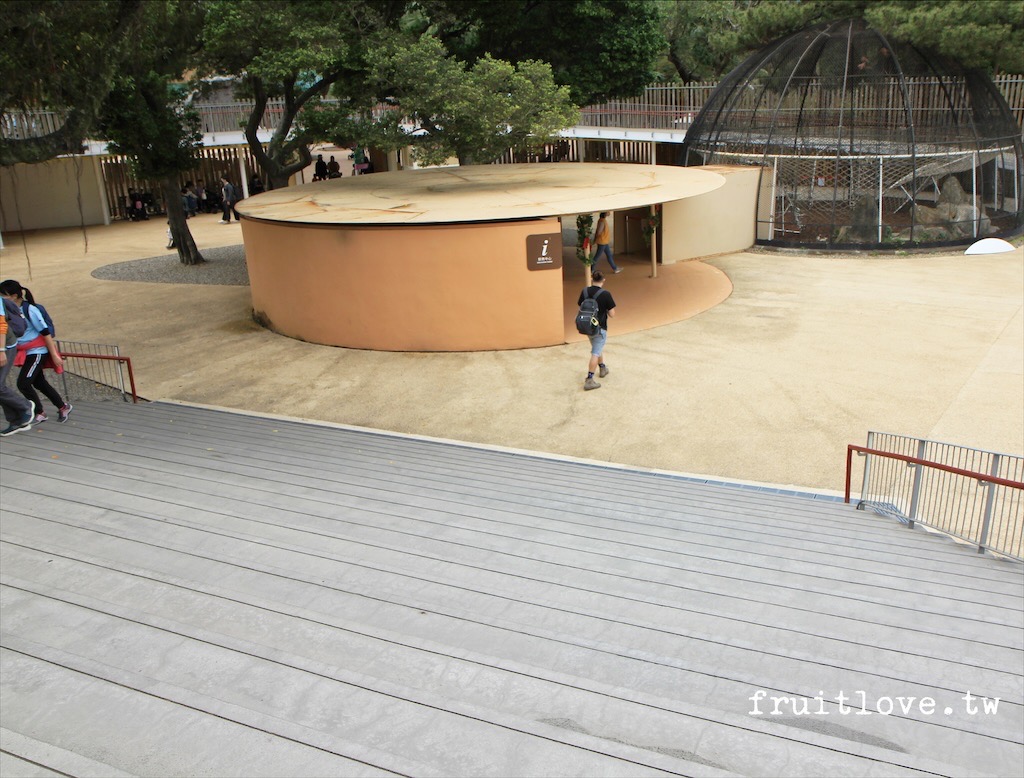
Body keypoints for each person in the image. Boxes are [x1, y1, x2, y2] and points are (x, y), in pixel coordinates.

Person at [0, 280, 71, 423]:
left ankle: (38, 411)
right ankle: (63, 406)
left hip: (37, 351)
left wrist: (54, 355)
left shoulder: (30, 310)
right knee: (39, 383)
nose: (1, 297)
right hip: (26, 351)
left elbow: (45, 333)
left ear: (14, 296)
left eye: (3, 295)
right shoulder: (9, 309)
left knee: (23, 383)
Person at [0, 293, 34, 436]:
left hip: (5, 346)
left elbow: (1, 325)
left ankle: (25, 406)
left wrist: (1, 350)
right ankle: (17, 420)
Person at [577, 270, 616, 391]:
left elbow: (581, 306)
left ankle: (602, 367)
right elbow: (612, 314)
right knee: (595, 352)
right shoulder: (606, 294)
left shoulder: (584, 291)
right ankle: (589, 379)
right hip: (599, 328)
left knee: (597, 348)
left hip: (587, 327)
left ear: (592, 278)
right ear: (603, 280)